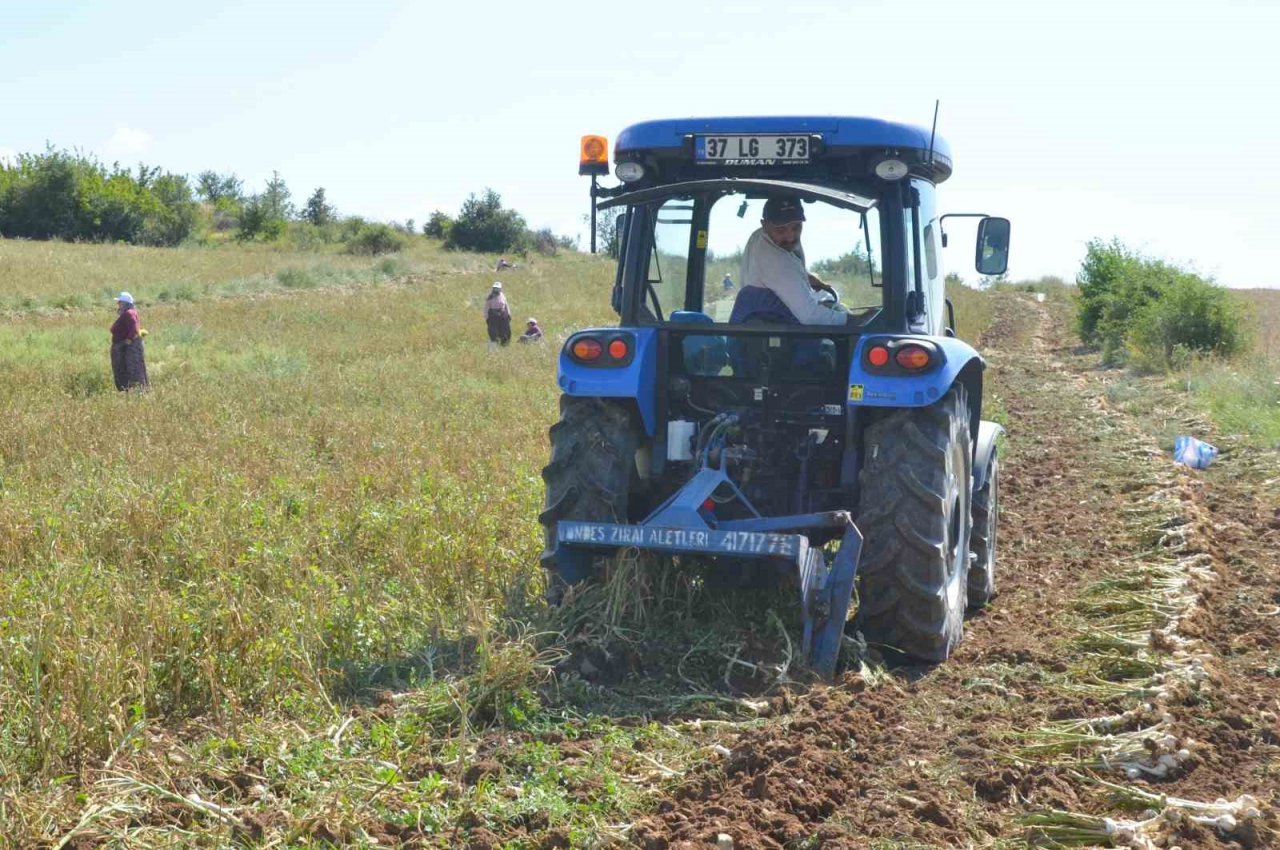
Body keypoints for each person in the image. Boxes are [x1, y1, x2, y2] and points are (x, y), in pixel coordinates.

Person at [730, 196, 847, 326]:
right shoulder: (774, 259)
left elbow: (785, 273)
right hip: (780, 335)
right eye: (780, 229)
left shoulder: (759, 237)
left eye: (796, 227)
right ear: (764, 225)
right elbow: (810, 317)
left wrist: (806, 276)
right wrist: (851, 320)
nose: (790, 237)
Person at [110, 291, 149, 391]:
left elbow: (134, 328)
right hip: (123, 345)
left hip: (126, 346)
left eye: (120, 302)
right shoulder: (128, 313)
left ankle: (133, 390)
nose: (118, 304)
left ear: (125, 303)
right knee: (125, 369)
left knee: (130, 369)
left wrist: (128, 340)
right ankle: (130, 390)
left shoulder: (129, 313)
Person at [484, 281, 512, 348]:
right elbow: (486, 308)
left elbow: (506, 305)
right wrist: (487, 318)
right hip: (493, 317)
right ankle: (494, 346)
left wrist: (508, 314)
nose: (496, 290)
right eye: (495, 288)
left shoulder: (502, 295)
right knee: (493, 332)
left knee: (505, 331)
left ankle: (504, 345)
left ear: (500, 289)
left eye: (498, 288)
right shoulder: (490, 297)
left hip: (502, 315)